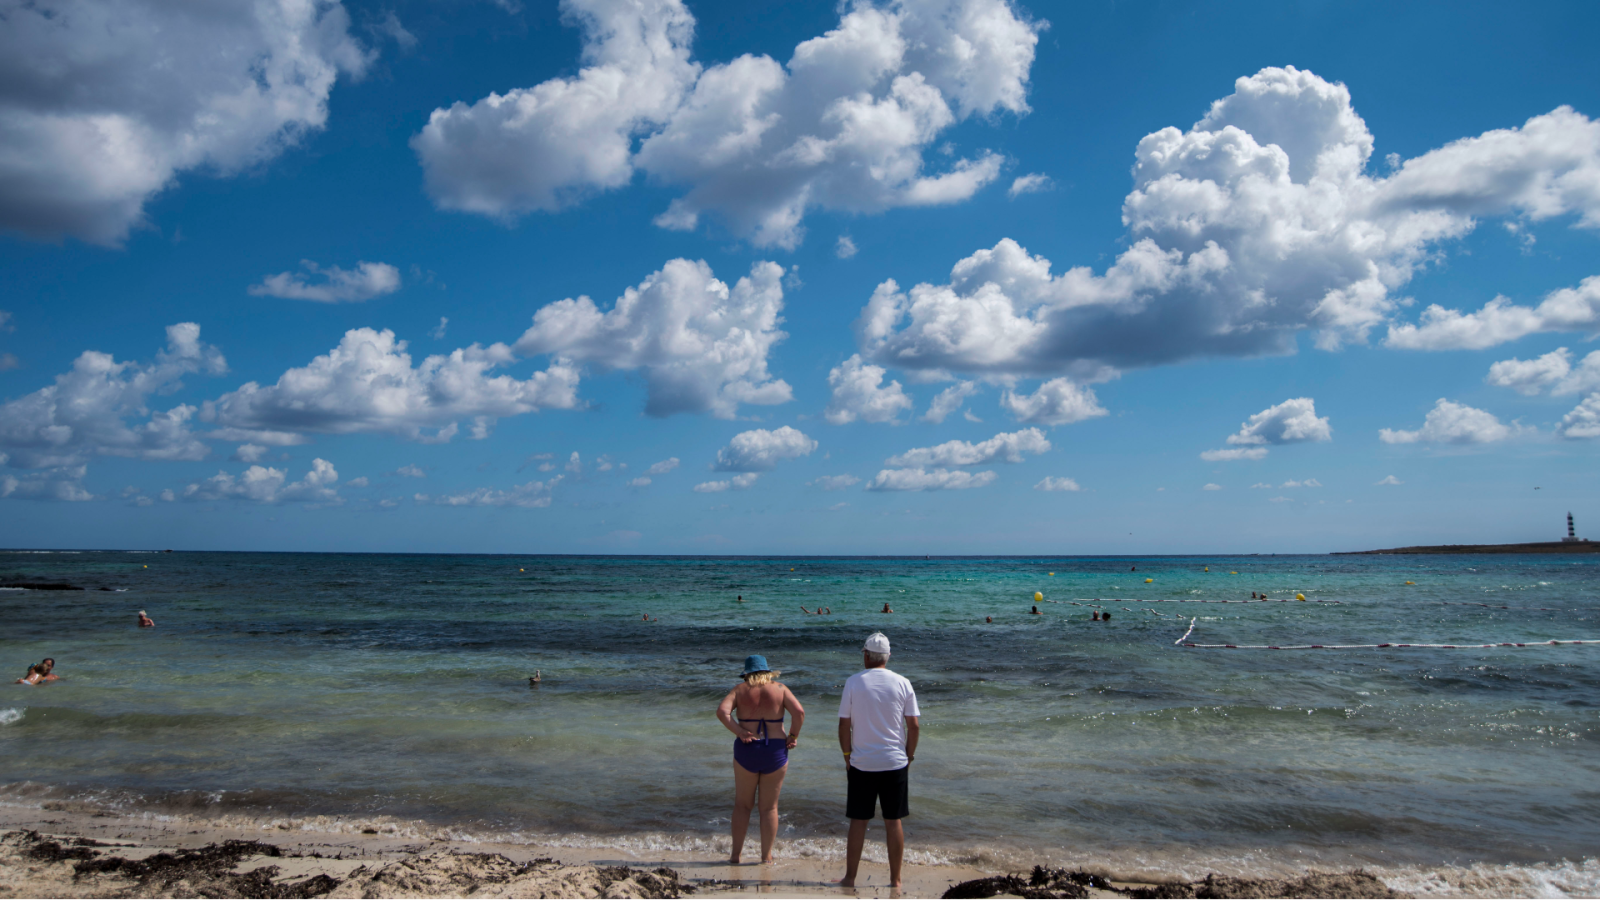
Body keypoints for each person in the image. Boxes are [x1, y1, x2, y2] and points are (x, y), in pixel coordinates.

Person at [838, 633, 919, 889]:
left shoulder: (853, 682)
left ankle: (850, 878)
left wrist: (847, 756)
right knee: (893, 821)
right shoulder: (903, 682)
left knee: (858, 821)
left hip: (862, 762)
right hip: (894, 761)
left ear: (866, 655)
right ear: (888, 656)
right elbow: (913, 725)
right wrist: (909, 755)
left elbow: (844, 725)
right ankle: (896, 881)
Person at [716, 655, 805, 865]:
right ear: (767, 671)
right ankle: (766, 857)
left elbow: (722, 712)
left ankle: (735, 855)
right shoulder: (780, 689)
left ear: (746, 673)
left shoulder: (739, 690)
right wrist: (793, 736)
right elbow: (799, 712)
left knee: (742, 806)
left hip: (747, 748)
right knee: (769, 808)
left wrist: (739, 731)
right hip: (774, 750)